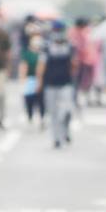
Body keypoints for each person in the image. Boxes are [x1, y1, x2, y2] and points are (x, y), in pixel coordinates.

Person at [37, 21, 76, 149]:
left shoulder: (70, 46)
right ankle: (56, 138)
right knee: (53, 112)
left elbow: (74, 65)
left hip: (66, 83)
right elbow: (41, 65)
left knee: (67, 111)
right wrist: (39, 82)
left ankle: (65, 131)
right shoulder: (46, 46)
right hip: (50, 84)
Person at [18, 33, 45, 126]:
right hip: (30, 78)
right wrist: (22, 78)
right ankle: (30, 115)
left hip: (41, 78)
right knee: (29, 99)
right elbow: (23, 65)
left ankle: (42, 116)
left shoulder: (43, 53)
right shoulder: (27, 53)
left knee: (41, 99)